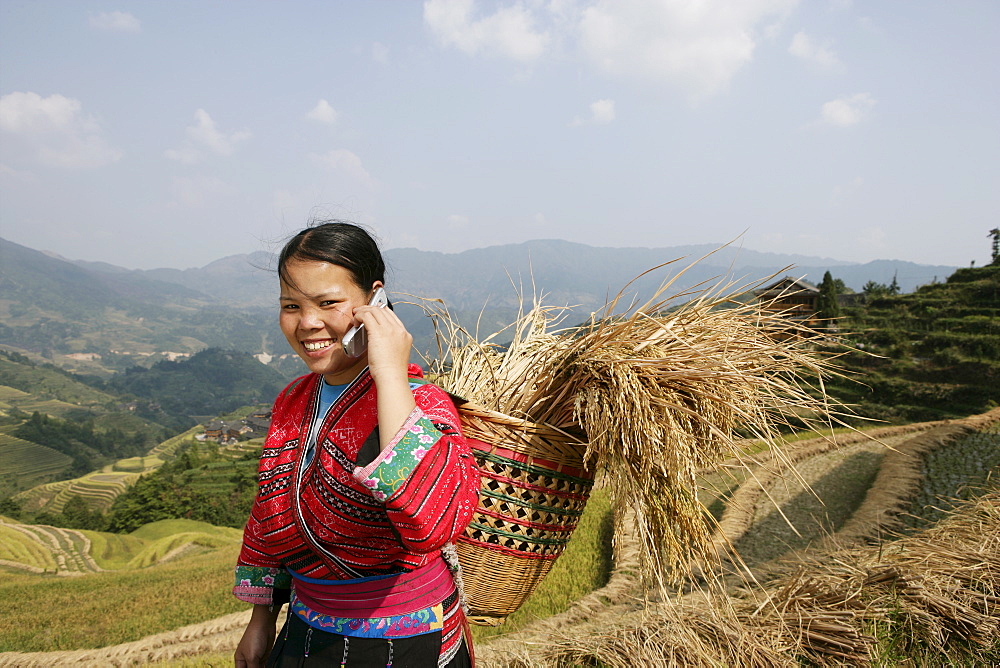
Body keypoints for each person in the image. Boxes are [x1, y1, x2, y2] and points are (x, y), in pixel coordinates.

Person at [233, 221, 480, 667]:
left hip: (405, 640)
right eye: (291, 306)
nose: (308, 323)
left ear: (374, 301)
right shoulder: (293, 401)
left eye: (328, 303)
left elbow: (431, 522)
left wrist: (389, 371)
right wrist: (261, 617)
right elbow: (270, 510)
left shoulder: (422, 403)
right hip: (307, 630)